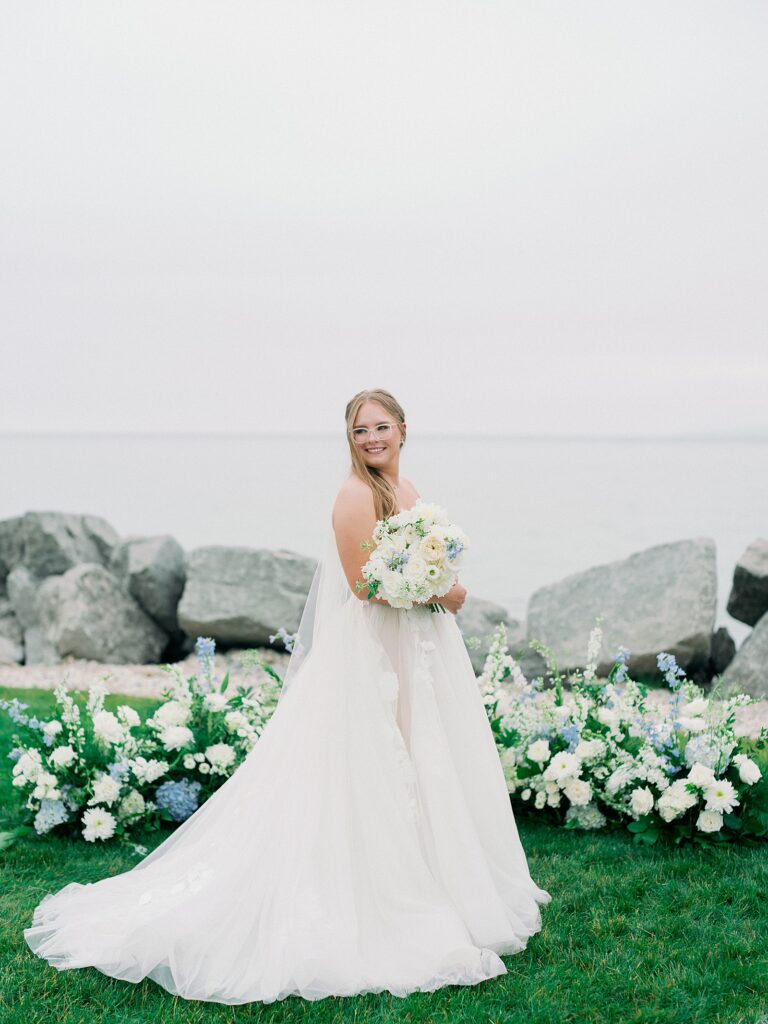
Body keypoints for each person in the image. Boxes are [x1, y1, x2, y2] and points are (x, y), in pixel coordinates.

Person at [23, 386, 552, 1005]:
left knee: (423, 755)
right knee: (369, 764)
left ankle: (443, 880)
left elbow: (415, 561)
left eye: (381, 427)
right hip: (374, 647)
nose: (372, 439)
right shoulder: (353, 496)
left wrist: (439, 577)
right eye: (360, 431)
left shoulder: (408, 492)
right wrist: (441, 591)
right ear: (350, 440)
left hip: (417, 645)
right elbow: (363, 586)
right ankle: (377, 893)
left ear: (404, 429)